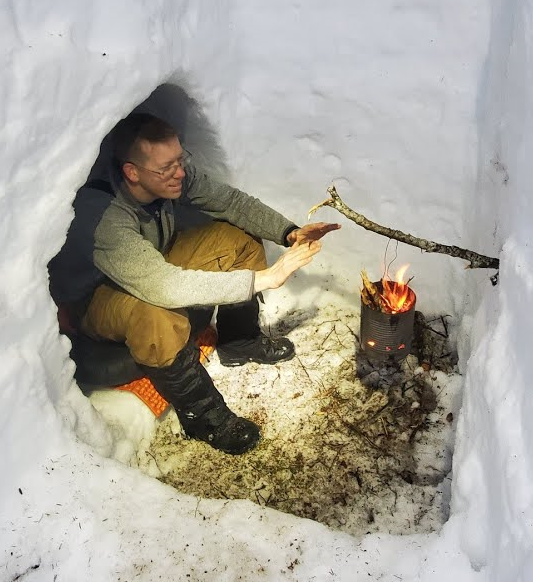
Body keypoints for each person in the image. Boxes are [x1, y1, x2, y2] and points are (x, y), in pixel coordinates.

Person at [49, 112, 339, 454]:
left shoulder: (170, 176)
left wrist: (288, 232)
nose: (180, 173)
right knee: (155, 313)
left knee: (238, 239)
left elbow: (230, 202)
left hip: (151, 263)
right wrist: (263, 279)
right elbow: (161, 286)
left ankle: (239, 340)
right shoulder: (102, 214)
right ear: (132, 172)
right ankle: (204, 417)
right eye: (167, 168)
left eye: (180, 159)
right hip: (95, 299)